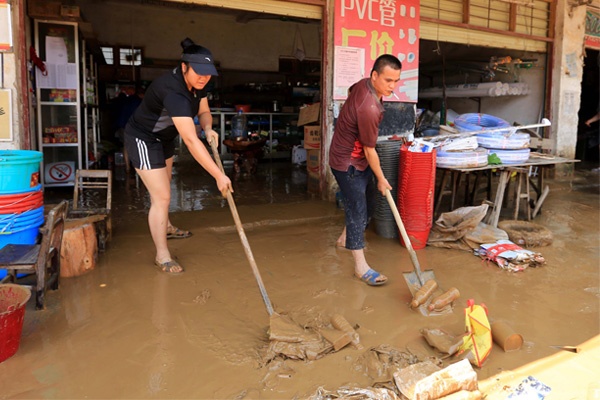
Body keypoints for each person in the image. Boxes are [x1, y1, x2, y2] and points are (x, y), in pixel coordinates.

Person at [124, 38, 232, 275]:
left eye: (208, 74)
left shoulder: (200, 84)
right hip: (143, 137)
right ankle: (162, 256)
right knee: (161, 196)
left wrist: (208, 127)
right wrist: (218, 175)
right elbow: (191, 141)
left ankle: (167, 226)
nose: (204, 78)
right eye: (199, 73)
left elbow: (203, 111)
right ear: (184, 67)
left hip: (164, 138)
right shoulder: (173, 91)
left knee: (166, 186)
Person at [329, 54, 402, 286]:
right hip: (346, 162)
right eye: (388, 80)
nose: (392, 86)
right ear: (374, 76)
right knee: (357, 209)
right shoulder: (369, 108)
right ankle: (361, 267)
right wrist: (382, 178)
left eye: (396, 81)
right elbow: (371, 151)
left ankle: (344, 239)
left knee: (368, 202)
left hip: (357, 158)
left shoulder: (363, 84)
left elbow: (351, 91)